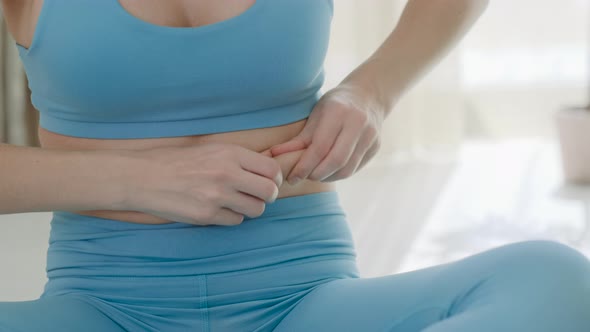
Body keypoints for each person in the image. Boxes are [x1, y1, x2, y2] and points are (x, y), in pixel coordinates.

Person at [0, 0, 589, 331]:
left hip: (305, 301)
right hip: (102, 307)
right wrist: (140, 180)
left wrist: (374, 91)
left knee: (554, 277)